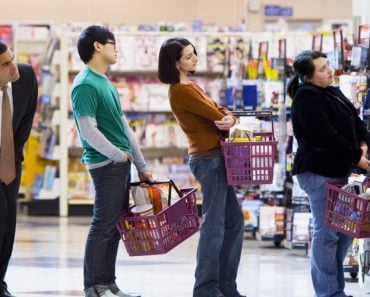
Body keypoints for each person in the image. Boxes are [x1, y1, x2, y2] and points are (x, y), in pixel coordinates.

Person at [158, 37, 245, 297]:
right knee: (214, 224)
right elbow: (219, 115)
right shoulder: (181, 90)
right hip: (209, 160)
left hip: (216, 158)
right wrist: (226, 117)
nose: (194, 58)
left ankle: (225, 285)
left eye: (194, 53)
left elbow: (222, 111)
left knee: (233, 221)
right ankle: (206, 288)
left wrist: (228, 117)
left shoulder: (192, 86)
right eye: (188, 56)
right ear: (174, 63)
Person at [71, 26, 153, 297]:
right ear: (97, 46)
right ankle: (94, 286)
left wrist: (141, 165)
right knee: (103, 225)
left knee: (114, 226)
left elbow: (123, 127)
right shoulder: (84, 84)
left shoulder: (105, 83)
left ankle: (108, 283)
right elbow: (88, 130)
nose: (116, 49)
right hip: (105, 164)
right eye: (112, 43)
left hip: (119, 164)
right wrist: (117, 155)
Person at [288, 50, 370, 297]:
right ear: (308, 76)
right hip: (318, 172)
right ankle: (328, 292)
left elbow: (355, 121)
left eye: (327, 66)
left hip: (340, 171)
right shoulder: (306, 98)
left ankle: (335, 290)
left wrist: (363, 143)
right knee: (326, 234)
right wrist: (357, 156)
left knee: (344, 232)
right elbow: (325, 134)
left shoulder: (331, 91)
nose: (329, 71)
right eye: (322, 69)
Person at [0, 42, 38, 297]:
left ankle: (0, 283)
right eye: (5, 64)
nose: (14, 66)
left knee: (8, 222)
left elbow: (24, 122)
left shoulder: (26, 78)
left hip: (10, 162)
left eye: (12, 58)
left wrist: (12, 158)